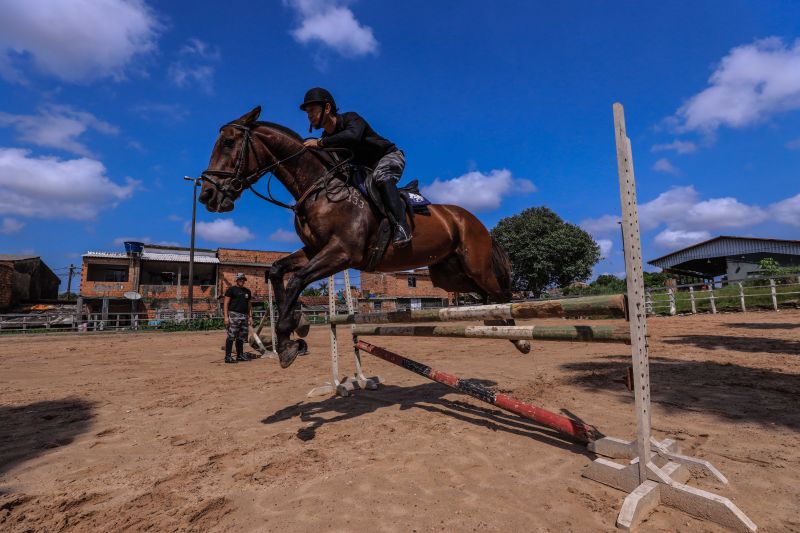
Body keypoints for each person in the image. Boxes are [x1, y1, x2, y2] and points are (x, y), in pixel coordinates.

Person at [299, 87, 412, 247]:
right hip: (364, 170)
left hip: (388, 157)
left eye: (312, 110)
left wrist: (320, 143)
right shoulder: (326, 137)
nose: (309, 116)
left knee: (382, 175)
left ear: (327, 108)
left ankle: (402, 226)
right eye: (307, 112)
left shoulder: (351, 119)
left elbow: (352, 136)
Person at [223, 273, 252, 363]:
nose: (242, 281)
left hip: (244, 316)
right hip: (234, 315)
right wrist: (226, 317)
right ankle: (228, 357)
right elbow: (226, 303)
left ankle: (240, 355)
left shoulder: (247, 291)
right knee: (231, 336)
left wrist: (250, 317)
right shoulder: (231, 290)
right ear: (236, 280)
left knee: (241, 337)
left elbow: (249, 305)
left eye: (243, 279)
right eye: (240, 279)